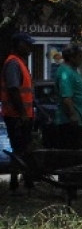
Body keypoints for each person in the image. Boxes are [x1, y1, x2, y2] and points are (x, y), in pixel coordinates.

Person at [2, 32, 36, 192]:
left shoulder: (20, 63)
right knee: (19, 149)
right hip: (16, 116)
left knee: (24, 149)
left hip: (23, 115)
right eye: (27, 44)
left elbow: (25, 92)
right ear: (18, 45)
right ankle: (16, 184)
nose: (30, 48)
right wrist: (22, 113)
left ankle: (26, 181)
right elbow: (13, 90)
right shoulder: (13, 63)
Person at [46, 44, 82, 149]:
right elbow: (66, 97)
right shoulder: (65, 72)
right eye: (79, 56)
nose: (81, 59)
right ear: (72, 57)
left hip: (77, 121)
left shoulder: (73, 71)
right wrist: (72, 115)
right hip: (70, 122)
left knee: (75, 149)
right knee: (70, 151)